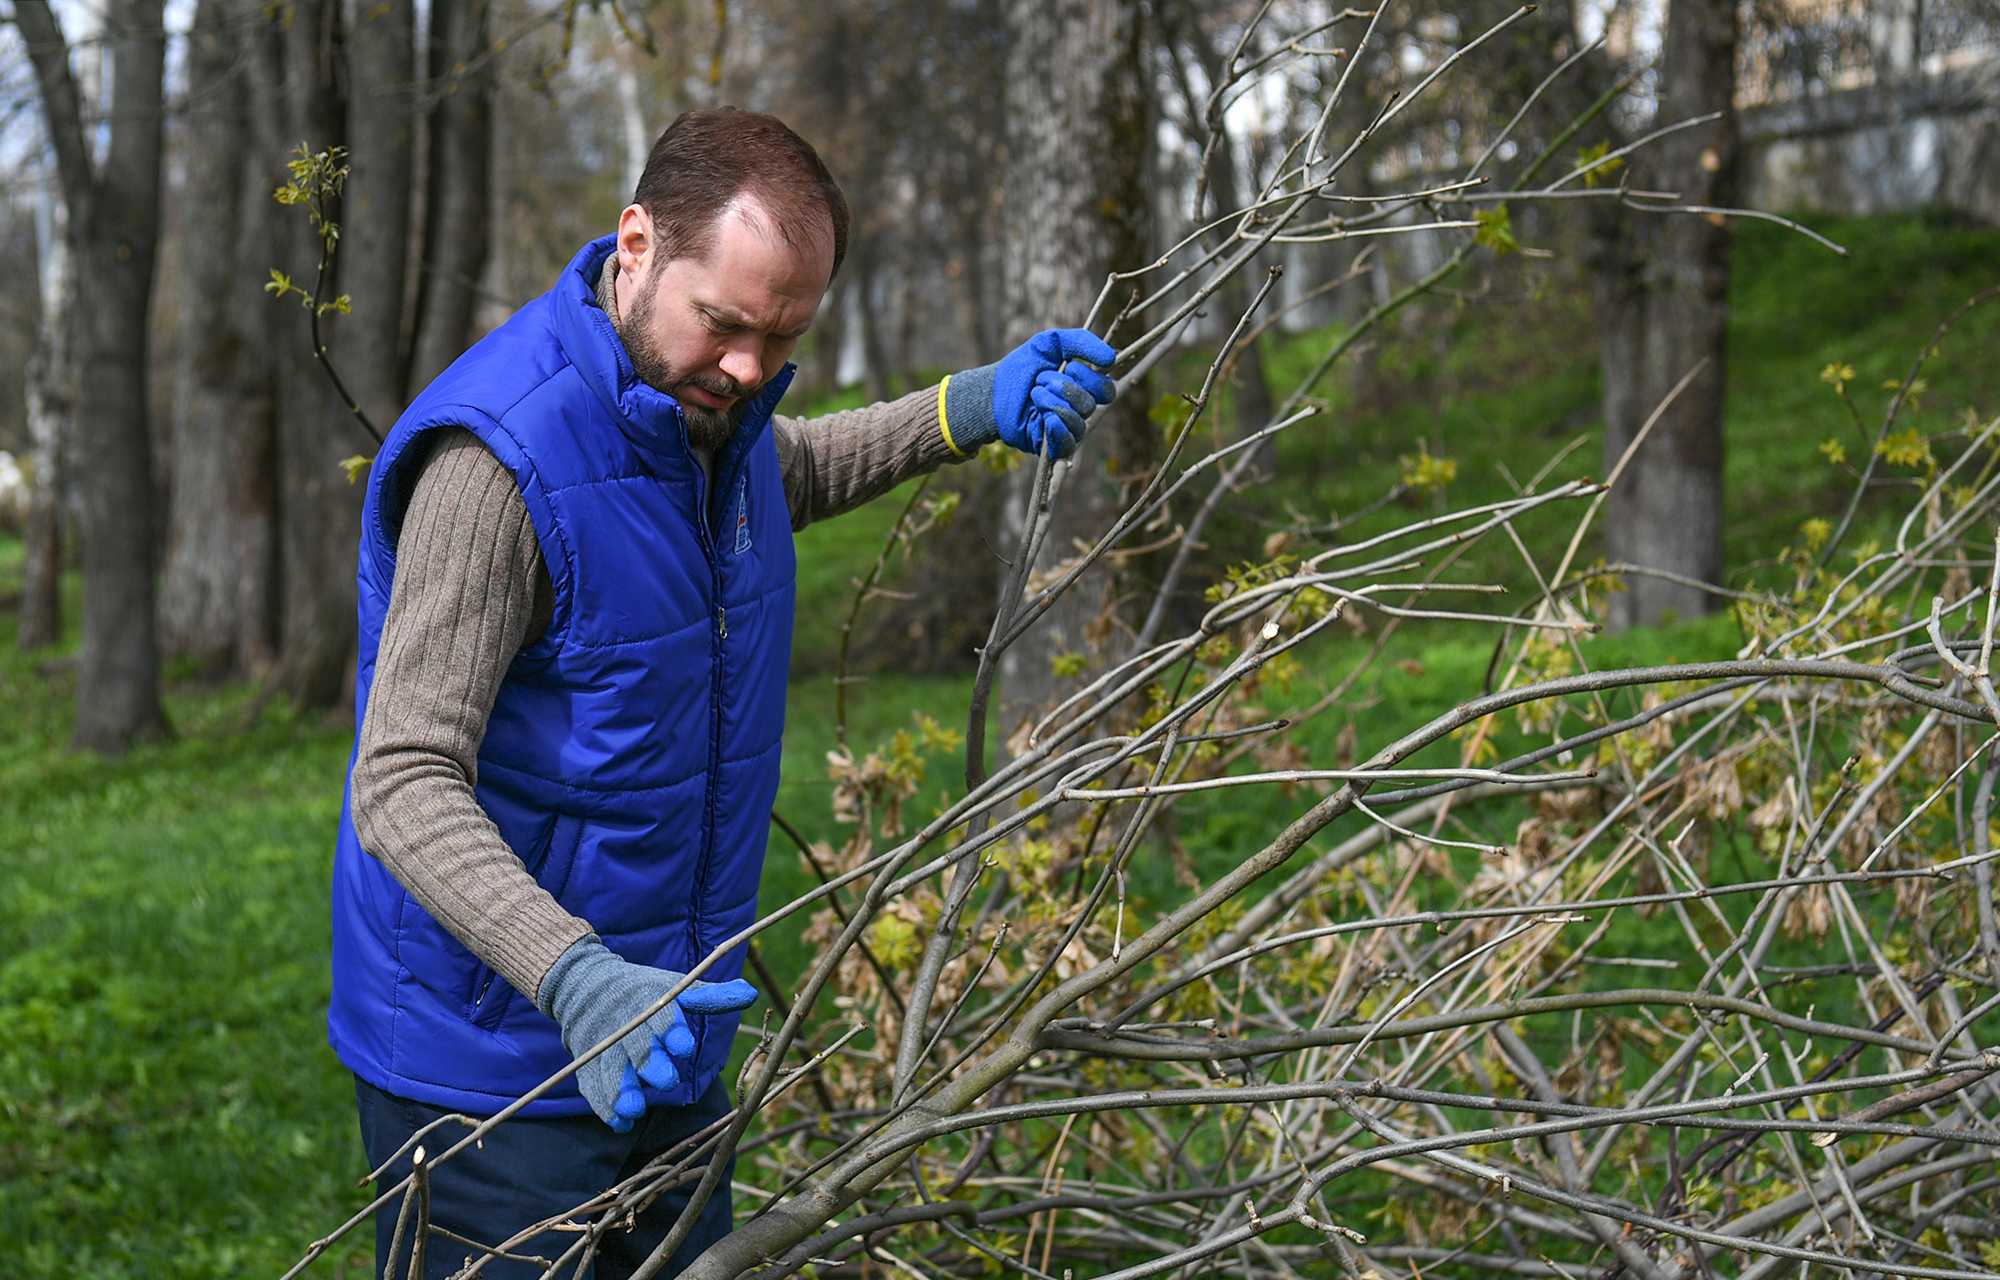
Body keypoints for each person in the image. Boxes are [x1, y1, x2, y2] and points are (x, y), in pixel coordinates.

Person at [327, 107, 1118, 1279]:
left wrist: (965, 407)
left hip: (668, 1036)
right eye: (727, 325)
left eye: (783, 335)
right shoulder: (498, 464)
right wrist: (577, 977)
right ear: (636, 244)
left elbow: (780, 468)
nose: (750, 368)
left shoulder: (709, 413)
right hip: (491, 1067)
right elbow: (399, 780)